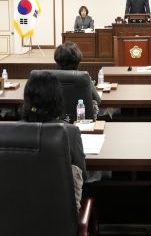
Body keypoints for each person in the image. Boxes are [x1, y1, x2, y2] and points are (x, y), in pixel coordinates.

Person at [21, 71, 86, 209]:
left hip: (20, 210)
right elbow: (83, 175)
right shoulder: (70, 132)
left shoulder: (10, 131)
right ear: (57, 100)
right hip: (59, 215)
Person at [53, 41, 101, 116]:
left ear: (57, 60)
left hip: (57, 119)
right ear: (78, 59)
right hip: (82, 119)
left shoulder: (50, 78)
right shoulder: (84, 77)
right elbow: (97, 100)